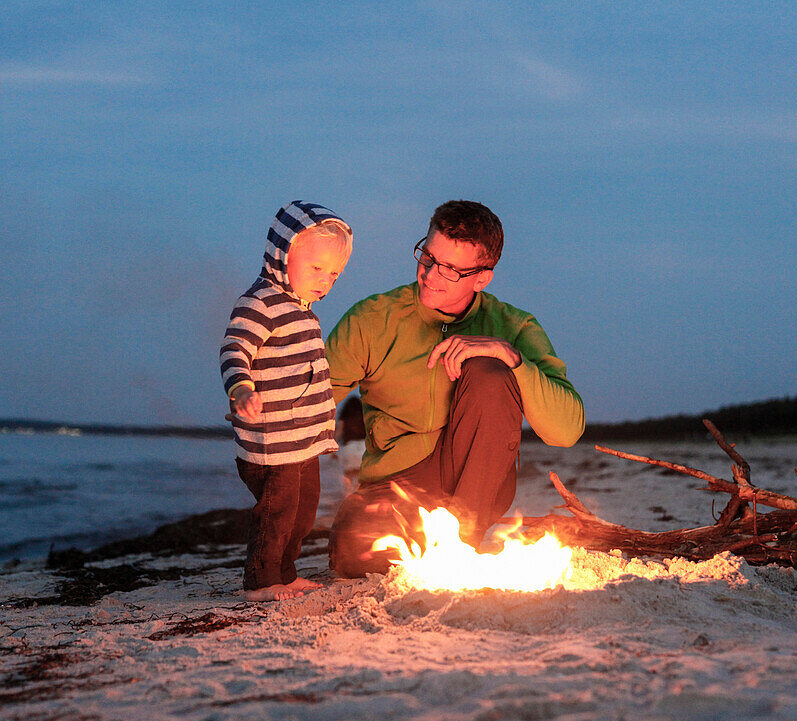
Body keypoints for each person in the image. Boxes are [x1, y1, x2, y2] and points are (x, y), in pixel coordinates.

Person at [325, 200, 584, 577]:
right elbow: (312, 401)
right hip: (395, 485)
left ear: (482, 278)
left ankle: (461, 549)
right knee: (354, 553)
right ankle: (432, 551)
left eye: (450, 270)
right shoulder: (372, 319)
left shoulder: (513, 325)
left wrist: (510, 357)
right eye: (428, 257)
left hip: (476, 483)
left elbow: (566, 431)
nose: (430, 276)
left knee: (490, 371)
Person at [220, 201, 352, 601]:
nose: (325, 281)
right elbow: (234, 348)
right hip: (271, 442)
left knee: (303, 512)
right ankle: (261, 580)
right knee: (277, 513)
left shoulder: (301, 310)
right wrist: (241, 388)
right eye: (316, 269)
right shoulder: (261, 302)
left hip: (303, 440)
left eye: (334, 273)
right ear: (282, 254)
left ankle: (285, 572)